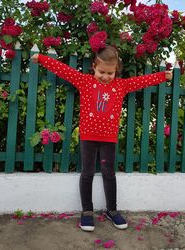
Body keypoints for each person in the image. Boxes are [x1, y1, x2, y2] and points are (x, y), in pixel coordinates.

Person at [31, 45, 172, 232]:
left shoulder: (121, 85)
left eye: (110, 73)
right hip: (88, 138)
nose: (105, 77)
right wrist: (41, 58)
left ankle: (112, 210)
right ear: (94, 67)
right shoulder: (84, 81)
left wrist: (162, 76)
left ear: (116, 71)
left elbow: (141, 81)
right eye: (101, 72)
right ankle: (87, 212)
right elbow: (63, 70)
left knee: (109, 174)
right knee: (87, 173)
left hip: (109, 139)